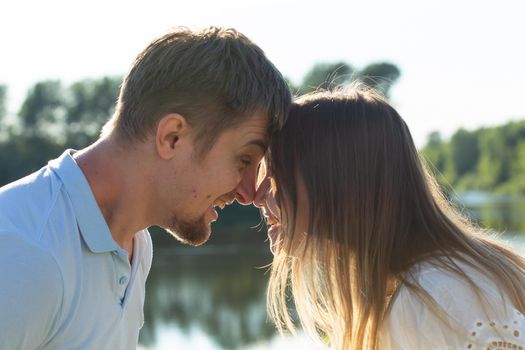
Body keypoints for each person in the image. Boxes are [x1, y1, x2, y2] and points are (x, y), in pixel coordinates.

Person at [0, 27, 291, 349]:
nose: (248, 193)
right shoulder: (22, 251)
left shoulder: (136, 244)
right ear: (172, 137)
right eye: (243, 159)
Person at [254, 87, 525, 349]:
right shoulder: (422, 288)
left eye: (276, 176)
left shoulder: (436, 298)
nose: (259, 195)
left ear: (337, 184)